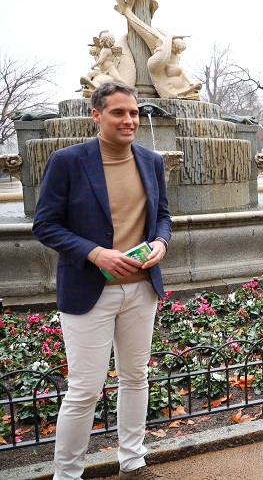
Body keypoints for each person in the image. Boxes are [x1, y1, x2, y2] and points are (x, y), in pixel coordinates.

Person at [32, 82, 171, 480]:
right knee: (84, 391)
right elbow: (45, 225)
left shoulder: (151, 160)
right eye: (118, 113)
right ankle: (68, 475)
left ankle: (133, 461)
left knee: (135, 376)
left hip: (142, 289)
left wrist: (161, 240)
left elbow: (163, 214)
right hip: (87, 291)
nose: (128, 120)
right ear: (97, 115)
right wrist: (94, 253)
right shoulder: (67, 161)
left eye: (133, 113)